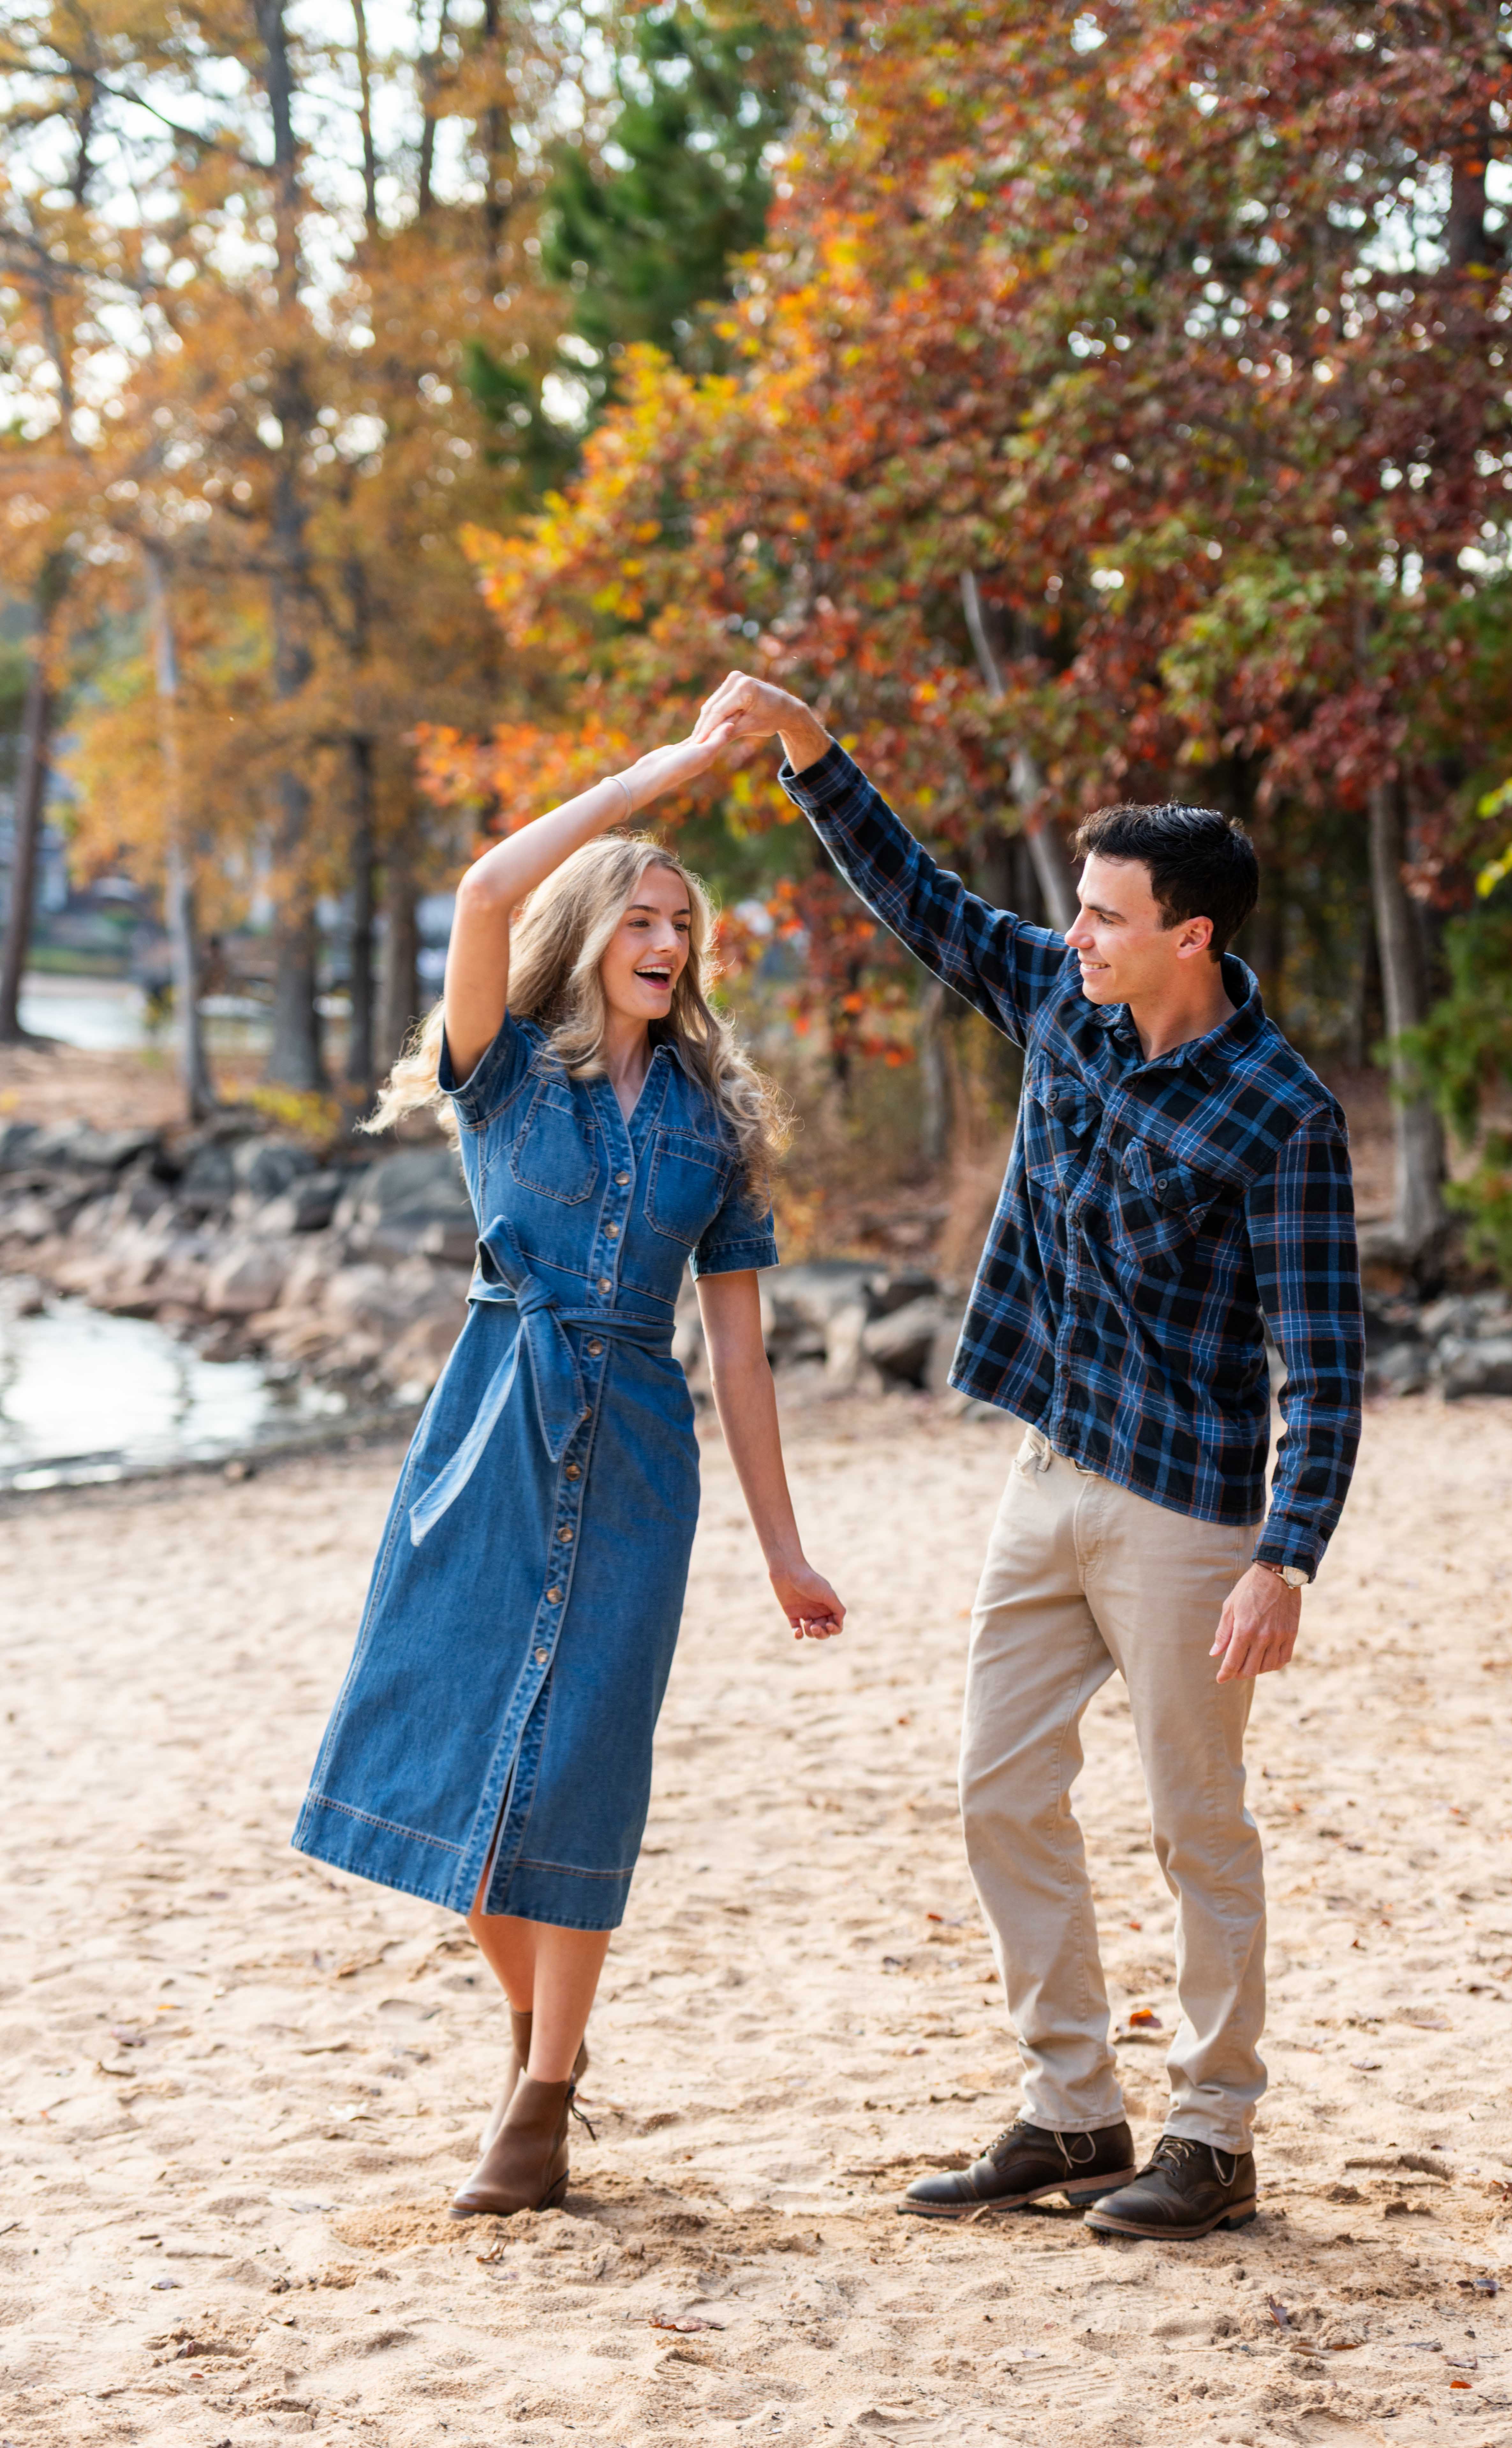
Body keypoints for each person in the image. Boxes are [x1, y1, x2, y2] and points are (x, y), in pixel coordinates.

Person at [694, 671, 1363, 2243]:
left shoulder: (1279, 1112)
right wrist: (807, 748)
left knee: (1196, 1822)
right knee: (996, 1787)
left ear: (1188, 936)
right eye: (1073, 909)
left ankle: (1212, 2132)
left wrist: (1285, 1553)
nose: (1072, 932)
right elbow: (918, 899)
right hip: (1047, 1469)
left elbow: (1323, 1362)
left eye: (1104, 915)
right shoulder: (1061, 998)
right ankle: (1071, 2105)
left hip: (1188, 1509)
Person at [293, 708, 844, 2221]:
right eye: (643, 914)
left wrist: (781, 1548)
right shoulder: (504, 1077)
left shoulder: (713, 1126)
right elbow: (482, 893)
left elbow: (739, 1352)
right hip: (485, 1433)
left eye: (684, 921)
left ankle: (539, 2094)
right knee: (457, 1759)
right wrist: (667, 769)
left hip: (636, 1455)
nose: (666, 938)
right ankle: (550, 2034)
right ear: (594, 931)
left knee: (581, 1772)